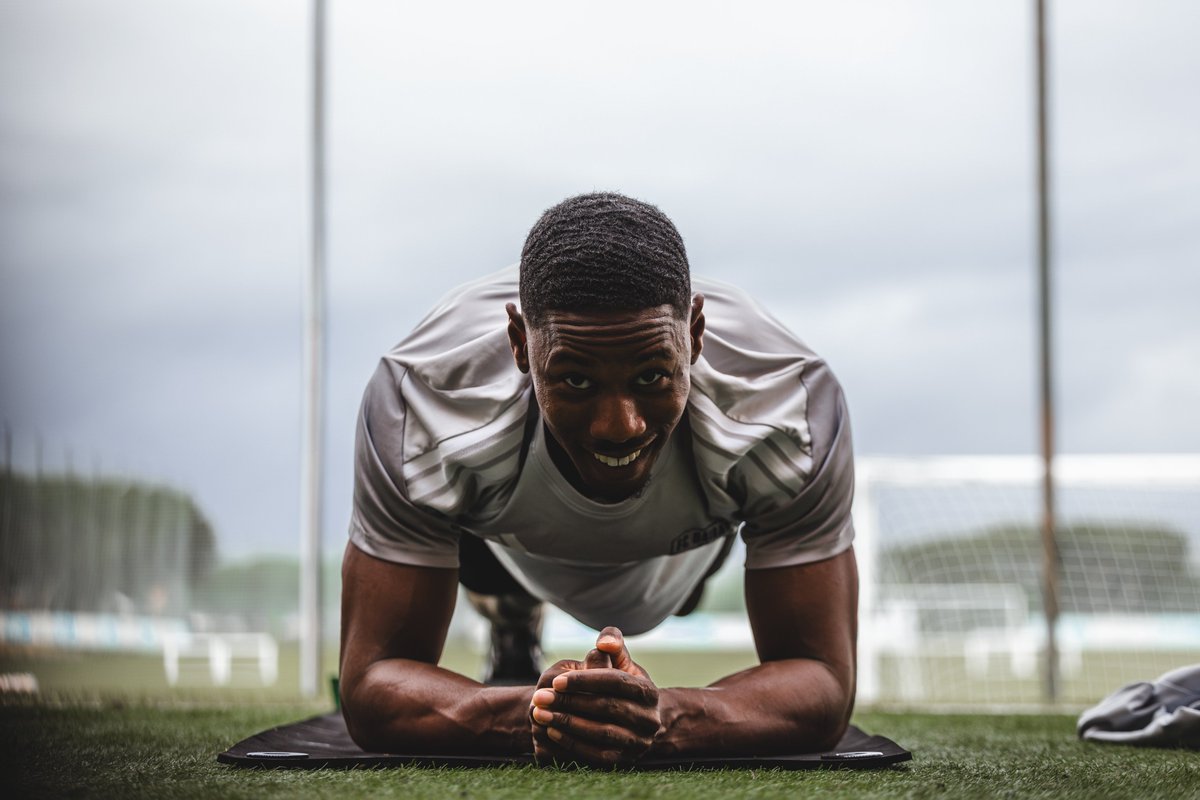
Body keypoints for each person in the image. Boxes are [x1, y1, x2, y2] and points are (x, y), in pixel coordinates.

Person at [339, 192, 858, 767]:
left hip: (676, 556)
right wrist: (547, 714)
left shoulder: (788, 404)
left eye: (652, 376)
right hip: (506, 543)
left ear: (696, 334)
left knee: (676, 580)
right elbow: (370, 688)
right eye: (577, 381)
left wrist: (661, 716)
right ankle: (511, 615)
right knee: (467, 507)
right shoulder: (422, 401)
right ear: (519, 344)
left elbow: (825, 685)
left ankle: (669, 574)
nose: (619, 426)